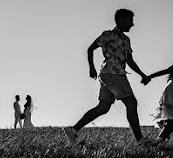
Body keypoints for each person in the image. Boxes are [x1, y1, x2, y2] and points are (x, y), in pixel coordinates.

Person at [64, 9, 155, 145]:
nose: (133, 24)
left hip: (111, 75)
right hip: (113, 74)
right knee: (131, 102)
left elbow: (129, 61)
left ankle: (73, 130)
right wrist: (91, 67)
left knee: (103, 107)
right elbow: (90, 49)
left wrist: (142, 75)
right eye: (130, 20)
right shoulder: (108, 35)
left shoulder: (126, 39)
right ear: (122, 19)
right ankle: (140, 139)